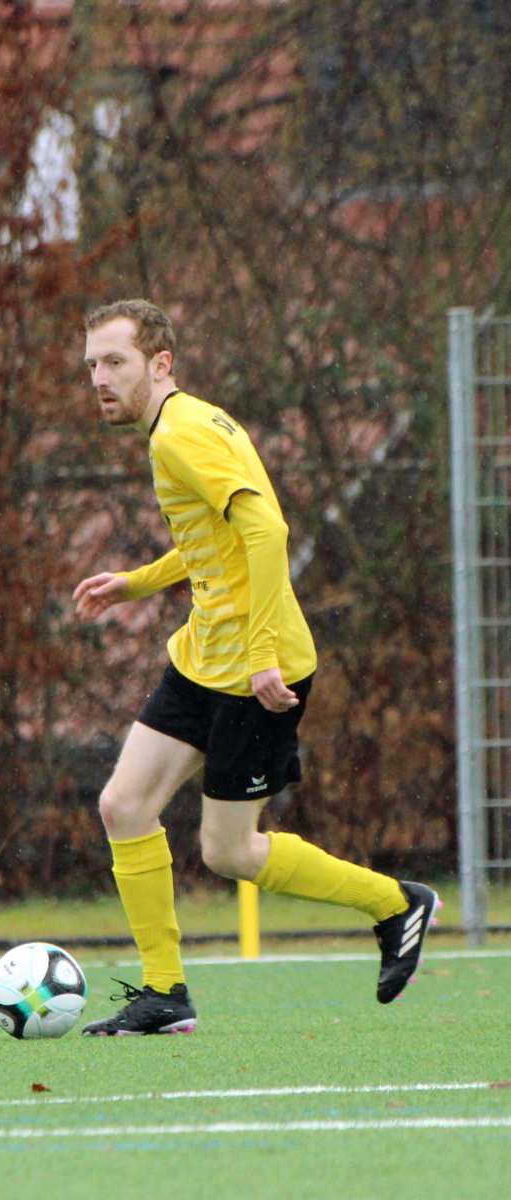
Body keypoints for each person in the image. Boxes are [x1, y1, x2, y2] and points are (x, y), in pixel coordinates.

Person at [72, 299, 439, 1036]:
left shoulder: (181, 436)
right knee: (124, 806)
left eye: (115, 362)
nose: (100, 379)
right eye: (91, 366)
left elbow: (268, 530)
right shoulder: (186, 424)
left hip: (256, 671)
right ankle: (163, 993)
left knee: (229, 851)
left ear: (160, 364)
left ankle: (396, 904)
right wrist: (138, 582)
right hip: (203, 657)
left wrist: (264, 653)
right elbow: (216, 540)